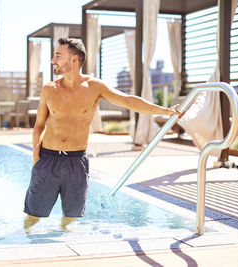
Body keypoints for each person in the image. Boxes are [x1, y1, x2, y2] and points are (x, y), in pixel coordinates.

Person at [23, 38, 182, 234]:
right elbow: (39, 125)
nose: (52, 60)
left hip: (75, 161)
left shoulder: (94, 87)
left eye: (58, 56)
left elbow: (128, 101)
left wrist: (165, 110)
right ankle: (23, 241)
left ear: (73, 60)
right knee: (33, 214)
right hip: (48, 158)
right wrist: (36, 157)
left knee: (71, 217)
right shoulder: (49, 89)